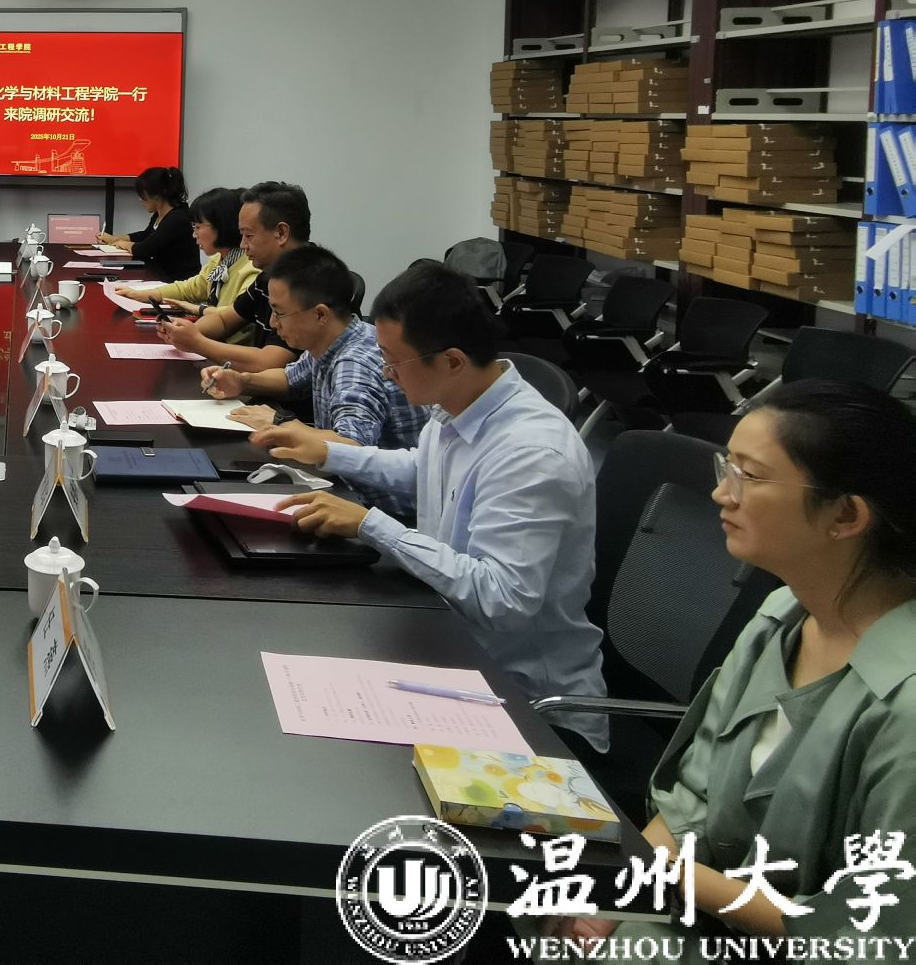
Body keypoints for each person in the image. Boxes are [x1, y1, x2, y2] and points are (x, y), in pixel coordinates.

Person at [559, 382, 916, 947]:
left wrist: (658, 874)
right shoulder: (783, 614)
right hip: (703, 914)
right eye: (727, 468)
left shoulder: (905, 706)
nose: (722, 494)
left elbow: (867, 934)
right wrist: (617, 894)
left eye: (749, 476)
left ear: (846, 515)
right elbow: (693, 799)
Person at [265, 262, 609, 747]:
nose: (386, 374)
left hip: (525, 703)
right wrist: (328, 452)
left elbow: (500, 600)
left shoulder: (532, 452)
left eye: (393, 361)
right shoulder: (459, 404)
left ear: (451, 361)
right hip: (449, 642)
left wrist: (371, 525)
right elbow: (424, 469)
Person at [202, 244, 430, 453]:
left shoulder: (354, 364)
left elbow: (353, 445)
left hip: (366, 486)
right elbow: (291, 378)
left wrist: (280, 422)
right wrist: (241, 381)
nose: (273, 322)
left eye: (279, 313)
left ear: (320, 314)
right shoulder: (337, 338)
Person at [158, 180, 308, 372]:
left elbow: (269, 362)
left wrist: (196, 342)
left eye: (249, 235)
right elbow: (224, 320)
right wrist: (184, 331)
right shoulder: (269, 274)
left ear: (281, 233)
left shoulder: (307, 282)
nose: (243, 245)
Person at [113, 185, 256, 322]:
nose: (194, 234)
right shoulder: (219, 259)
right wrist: (142, 294)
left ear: (221, 225)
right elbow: (189, 289)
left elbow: (235, 315)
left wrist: (196, 309)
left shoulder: (251, 269)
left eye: (198, 227)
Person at [95, 165, 195, 282]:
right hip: (161, 274)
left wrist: (122, 243)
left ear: (156, 195)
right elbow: (146, 235)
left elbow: (144, 249)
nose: (140, 199)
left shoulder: (177, 218)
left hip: (178, 281)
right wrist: (115, 239)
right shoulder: (160, 213)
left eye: (142, 195)